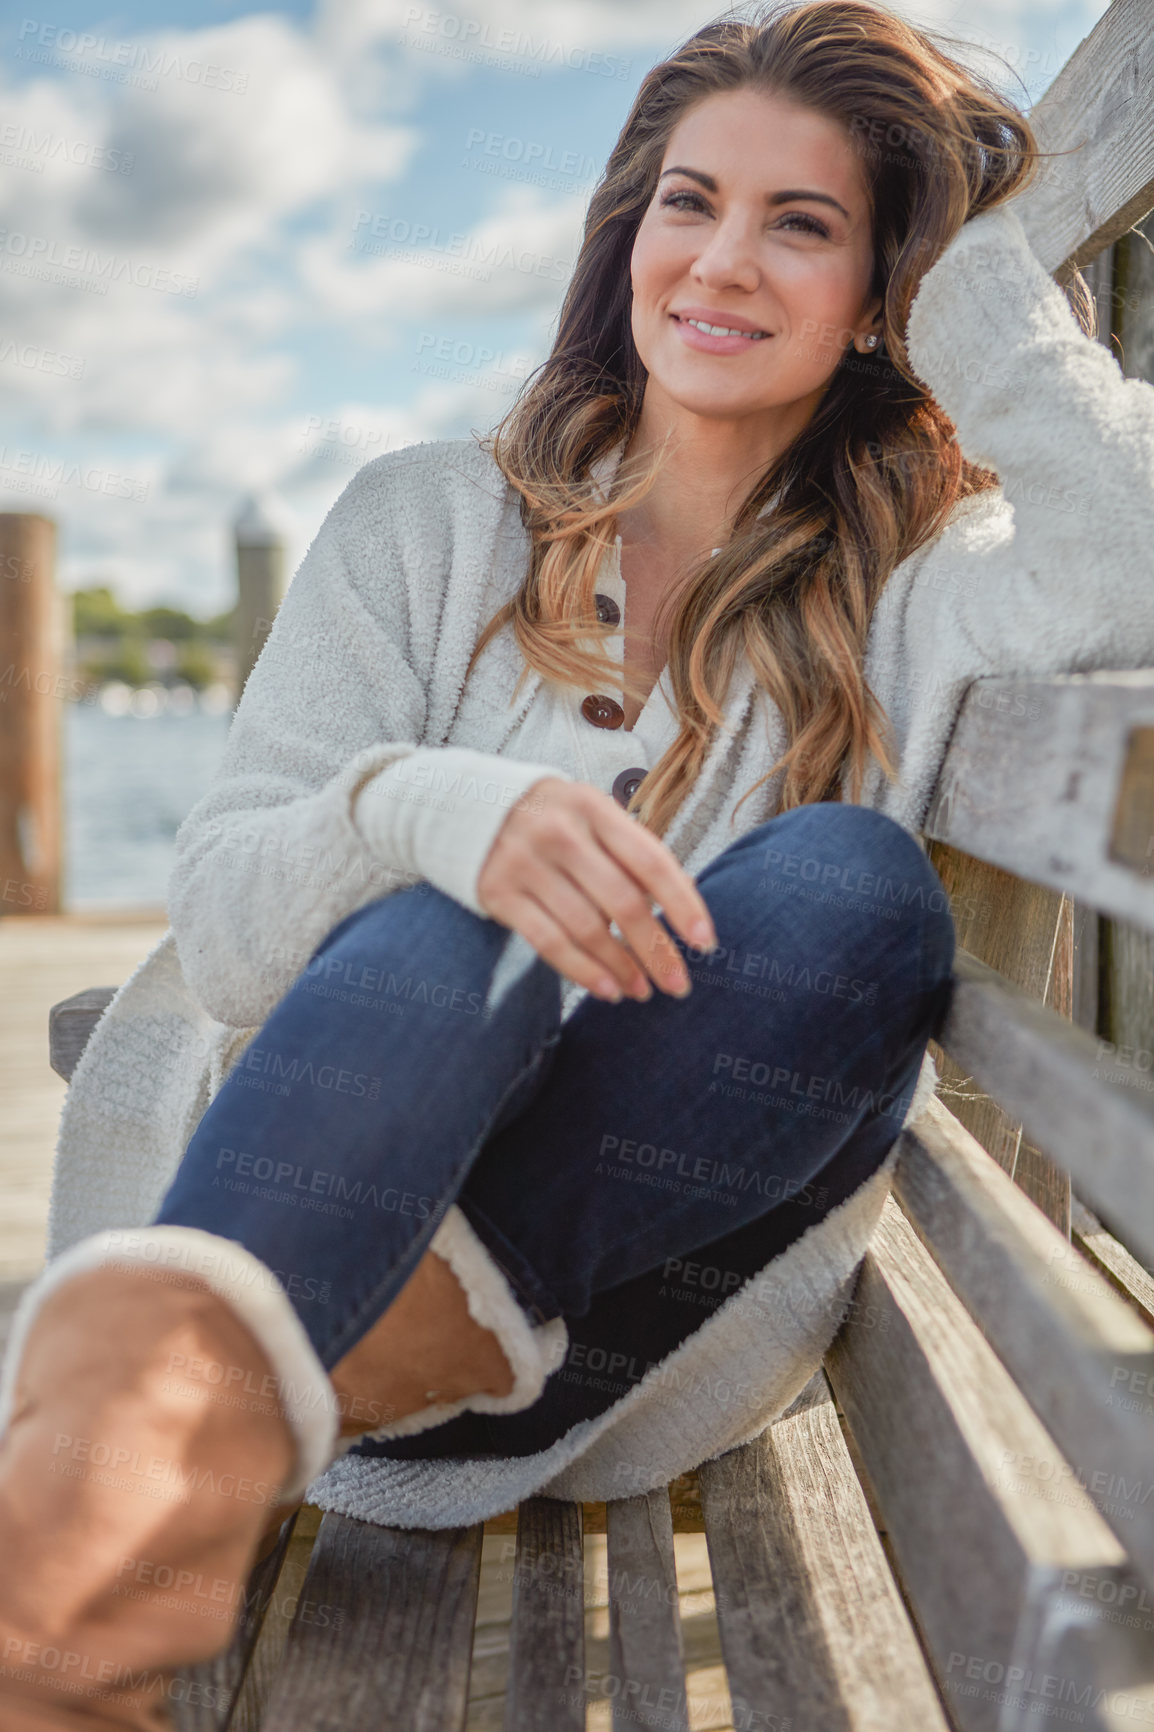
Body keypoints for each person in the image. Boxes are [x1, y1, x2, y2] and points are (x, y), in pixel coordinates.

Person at [4, 1, 1154, 1724]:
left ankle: (180, 1441)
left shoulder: (916, 593)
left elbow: (1127, 565)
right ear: (627, 229)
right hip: (286, 1215)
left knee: (853, 884)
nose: (721, 262)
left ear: (877, 296)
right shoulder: (422, 522)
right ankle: (152, 1512)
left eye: (806, 225)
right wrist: (427, 811)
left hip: (603, 1331)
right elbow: (238, 940)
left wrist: (976, 275)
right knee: (433, 928)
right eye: (688, 202)